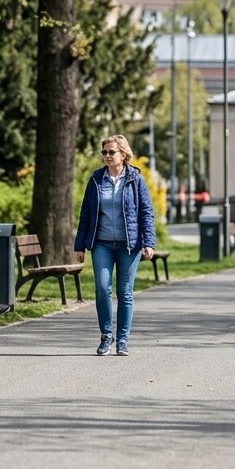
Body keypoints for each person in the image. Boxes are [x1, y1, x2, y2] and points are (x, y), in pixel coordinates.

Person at [73, 134, 156, 357]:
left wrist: (149, 242)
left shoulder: (135, 179)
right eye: (104, 152)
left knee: (125, 292)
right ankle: (105, 337)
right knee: (102, 288)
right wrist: (79, 245)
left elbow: (146, 213)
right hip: (101, 243)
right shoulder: (96, 179)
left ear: (123, 154)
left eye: (111, 152)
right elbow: (86, 214)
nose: (107, 156)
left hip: (129, 245)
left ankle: (122, 341)